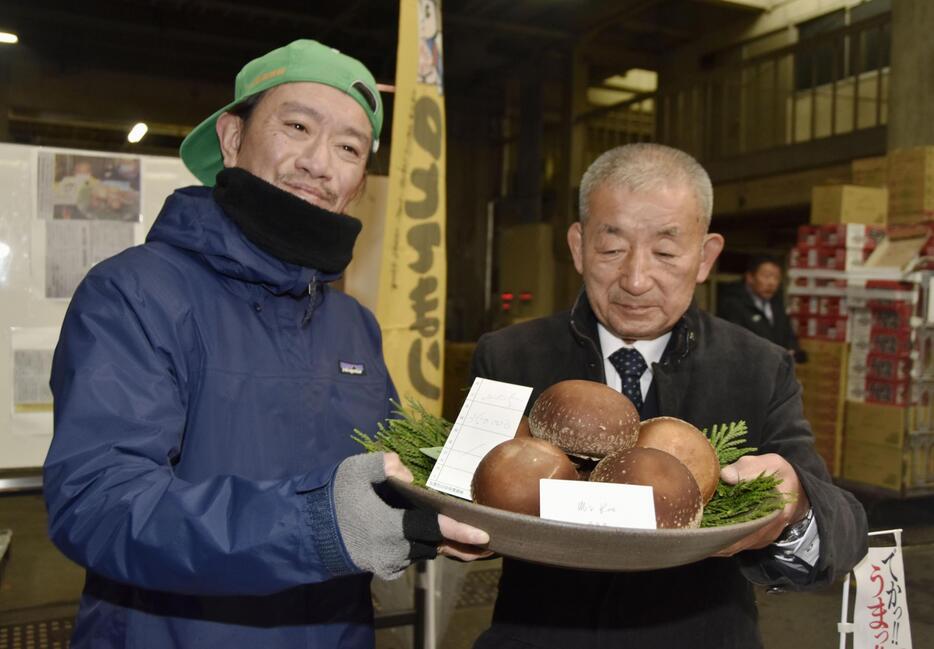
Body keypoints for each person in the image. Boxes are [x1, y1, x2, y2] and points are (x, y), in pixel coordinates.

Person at [43, 39, 488, 649]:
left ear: (360, 181)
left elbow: (380, 487)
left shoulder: (353, 325)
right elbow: (99, 504)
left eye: (349, 148)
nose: (319, 162)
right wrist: (316, 525)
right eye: (298, 125)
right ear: (232, 138)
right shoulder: (135, 293)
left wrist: (459, 504)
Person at [469, 143, 867, 649]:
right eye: (612, 249)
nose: (636, 280)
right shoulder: (508, 357)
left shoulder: (757, 367)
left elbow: (843, 530)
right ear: (577, 246)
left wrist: (792, 512)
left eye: (665, 251)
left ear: (705, 257)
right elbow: (468, 498)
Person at [718, 254, 807, 362]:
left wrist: (794, 351)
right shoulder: (733, 305)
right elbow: (734, 343)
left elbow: (788, 336)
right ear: (750, 278)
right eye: (767, 276)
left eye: (776, 278)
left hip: (776, 369)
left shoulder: (777, 305)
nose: (772, 283)